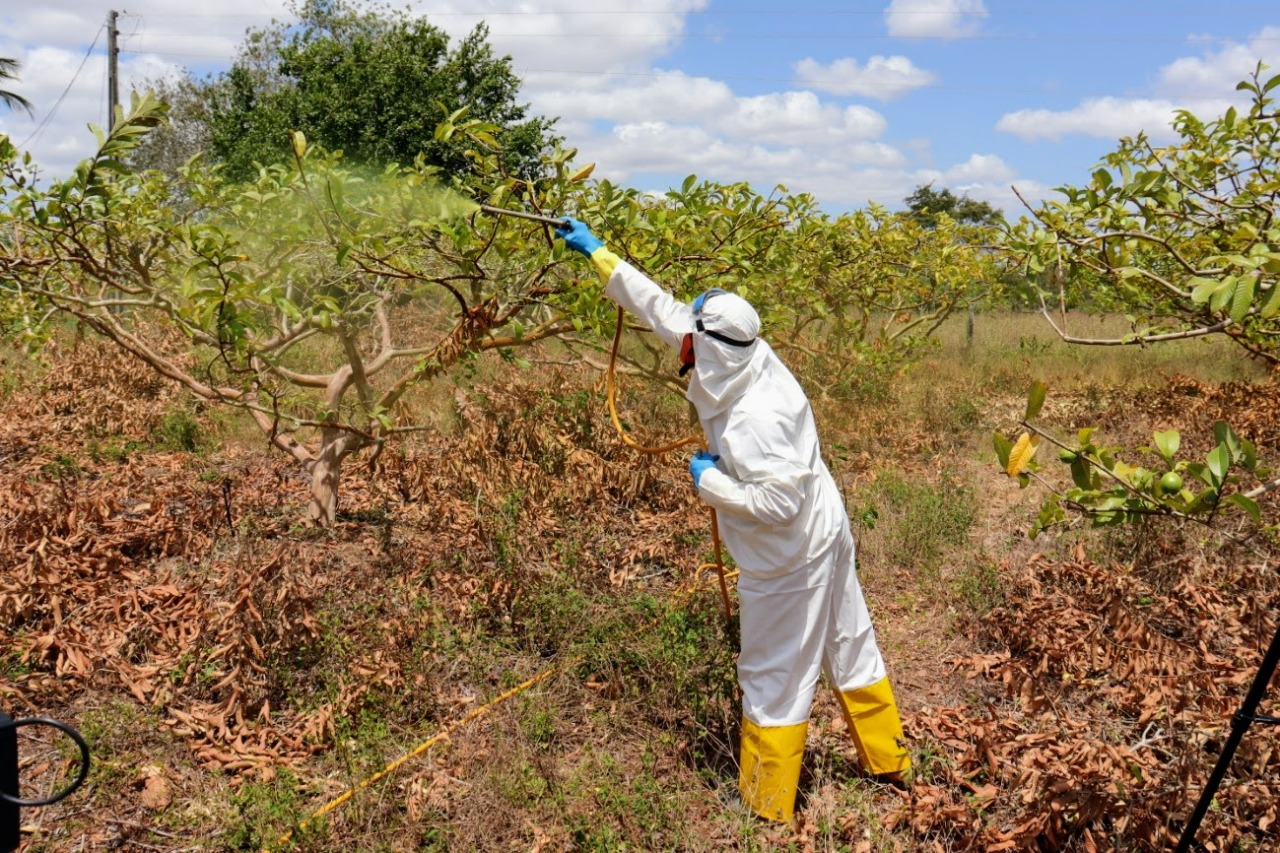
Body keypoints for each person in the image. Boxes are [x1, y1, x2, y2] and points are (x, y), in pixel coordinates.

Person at [555, 218, 911, 823]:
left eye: (692, 334)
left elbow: (777, 504)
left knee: (773, 672)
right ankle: (890, 762)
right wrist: (598, 253)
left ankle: (766, 805)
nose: (681, 339)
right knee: (850, 645)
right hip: (825, 528)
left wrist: (710, 483)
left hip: (790, 555)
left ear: (710, 347)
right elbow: (662, 309)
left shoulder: (755, 418)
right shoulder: (740, 353)